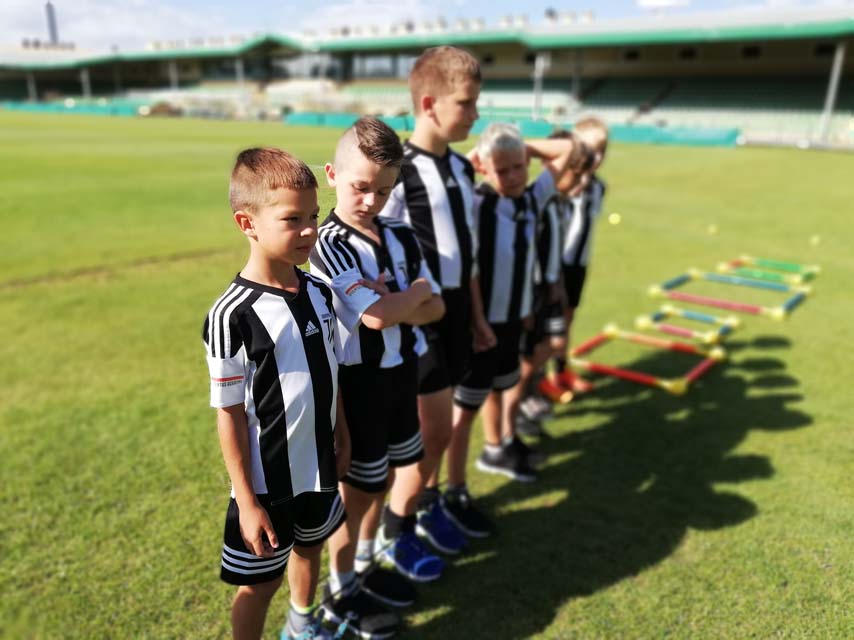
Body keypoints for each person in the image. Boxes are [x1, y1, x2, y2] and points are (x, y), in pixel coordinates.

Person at [202, 147, 351, 640]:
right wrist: (247, 501)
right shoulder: (232, 315)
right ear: (247, 223)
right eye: (292, 219)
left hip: (319, 463)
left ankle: (302, 624)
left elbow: (331, 370)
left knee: (310, 549)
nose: (309, 230)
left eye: (313, 216)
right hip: (267, 485)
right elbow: (228, 413)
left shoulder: (319, 292)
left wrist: (342, 432)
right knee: (259, 584)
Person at [309, 117, 445, 637]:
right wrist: (409, 298)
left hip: (402, 372)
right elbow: (376, 318)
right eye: (360, 187)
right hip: (359, 385)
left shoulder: (401, 234)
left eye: (384, 191)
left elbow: (435, 309)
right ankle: (340, 589)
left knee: (387, 476)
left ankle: (365, 564)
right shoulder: (328, 242)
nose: (371, 201)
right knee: (357, 493)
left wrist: (402, 299)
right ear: (332, 175)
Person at [378, 46, 494, 551]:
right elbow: (373, 248)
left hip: (458, 312)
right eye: (466, 103)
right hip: (419, 320)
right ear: (429, 104)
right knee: (432, 431)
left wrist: (478, 316)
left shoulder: (463, 169)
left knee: (440, 432)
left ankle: (425, 504)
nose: (474, 114)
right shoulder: (398, 173)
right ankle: (396, 526)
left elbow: (468, 253)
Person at [444, 123, 578, 532]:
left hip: (513, 320)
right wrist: (482, 157)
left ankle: (496, 448)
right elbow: (453, 174)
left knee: (499, 388)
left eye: (518, 166)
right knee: (463, 410)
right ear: (484, 169)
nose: (513, 176)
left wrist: (518, 148)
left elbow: (567, 150)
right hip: (481, 326)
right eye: (501, 170)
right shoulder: (477, 202)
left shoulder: (533, 197)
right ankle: (453, 489)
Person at [518, 130, 594, 432]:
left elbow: (556, 249)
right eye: (576, 172)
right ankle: (519, 402)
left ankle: (529, 392)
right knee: (532, 350)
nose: (581, 180)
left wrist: (558, 282)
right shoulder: (537, 201)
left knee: (554, 343)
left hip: (552, 285)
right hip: (534, 290)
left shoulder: (561, 203)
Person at [547, 117, 610, 398]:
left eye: (602, 151)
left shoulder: (599, 187)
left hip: (579, 264)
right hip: (555, 264)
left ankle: (561, 371)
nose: (597, 157)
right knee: (549, 325)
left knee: (567, 319)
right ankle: (539, 378)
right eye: (591, 150)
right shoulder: (562, 184)